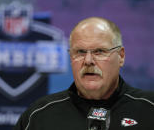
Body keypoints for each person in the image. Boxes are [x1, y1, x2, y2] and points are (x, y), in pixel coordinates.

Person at [13, 17, 154, 130]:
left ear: (121, 56)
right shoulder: (39, 116)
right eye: (80, 52)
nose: (88, 61)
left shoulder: (149, 110)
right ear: (70, 57)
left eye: (99, 51)